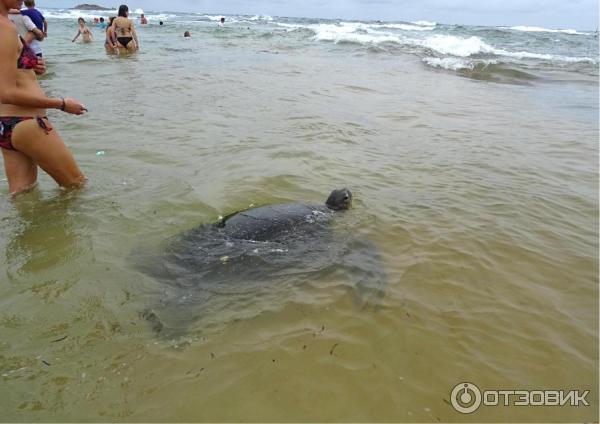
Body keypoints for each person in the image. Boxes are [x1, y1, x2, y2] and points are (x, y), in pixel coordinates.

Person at [1, 0, 88, 196]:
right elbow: (5, 93)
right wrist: (61, 104)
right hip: (27, 123)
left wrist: (26, 66)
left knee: (24, 198)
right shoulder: (4, 28)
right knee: (78, 188)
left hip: (5, 126)